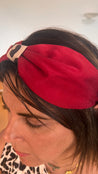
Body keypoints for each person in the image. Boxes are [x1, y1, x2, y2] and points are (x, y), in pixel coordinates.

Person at [0, 28, 98, 174]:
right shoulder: (6, 152)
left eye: (33, 122)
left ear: (86, 118)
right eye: (8, 108)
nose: (7, 136)